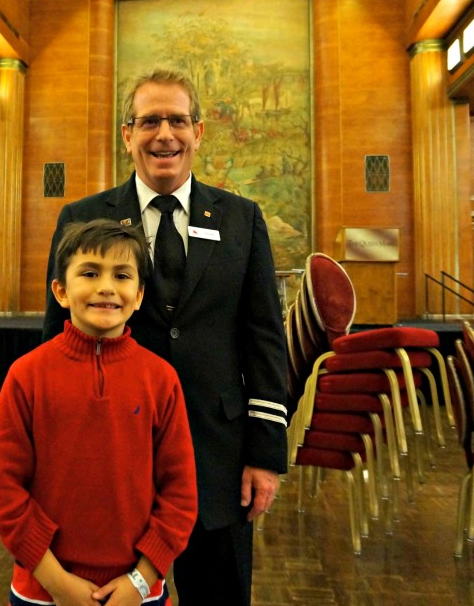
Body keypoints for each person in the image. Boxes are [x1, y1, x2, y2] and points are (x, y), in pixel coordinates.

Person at [42, 69, 289, 605]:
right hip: (111, 460)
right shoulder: (81, 218)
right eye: (149, 121)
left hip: (217, 462)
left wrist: (266, 454)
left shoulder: (242, 219)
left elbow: (265, 338)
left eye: (177, 120)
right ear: (127, 135)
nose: (165, 135)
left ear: (199, 132)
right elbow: (53, 345)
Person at [0, 218, 198, 606]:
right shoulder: (27, 374)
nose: (106, 287)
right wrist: (55, 581)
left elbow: (180, 490)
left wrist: (141, 579)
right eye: (90, 272)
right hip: (44, 591)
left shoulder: (161, 378)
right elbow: (2, 483)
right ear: (61, 291)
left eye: (121, 275)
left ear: (138, 295)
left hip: (138, 593)